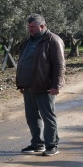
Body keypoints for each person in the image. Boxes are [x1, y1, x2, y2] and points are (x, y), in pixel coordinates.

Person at [15, 14, 66, 156]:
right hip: (28, 86)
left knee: (47, 116)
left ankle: (52, 145)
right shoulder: (29, 41)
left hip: (45, 86)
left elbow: (59, 65)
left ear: (42, 26)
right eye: (29, 26)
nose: (30, 29)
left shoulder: (52, 40)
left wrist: (56, 85)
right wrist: (21, 82)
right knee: (32, 117)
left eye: (33, 27)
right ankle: (37, 144)